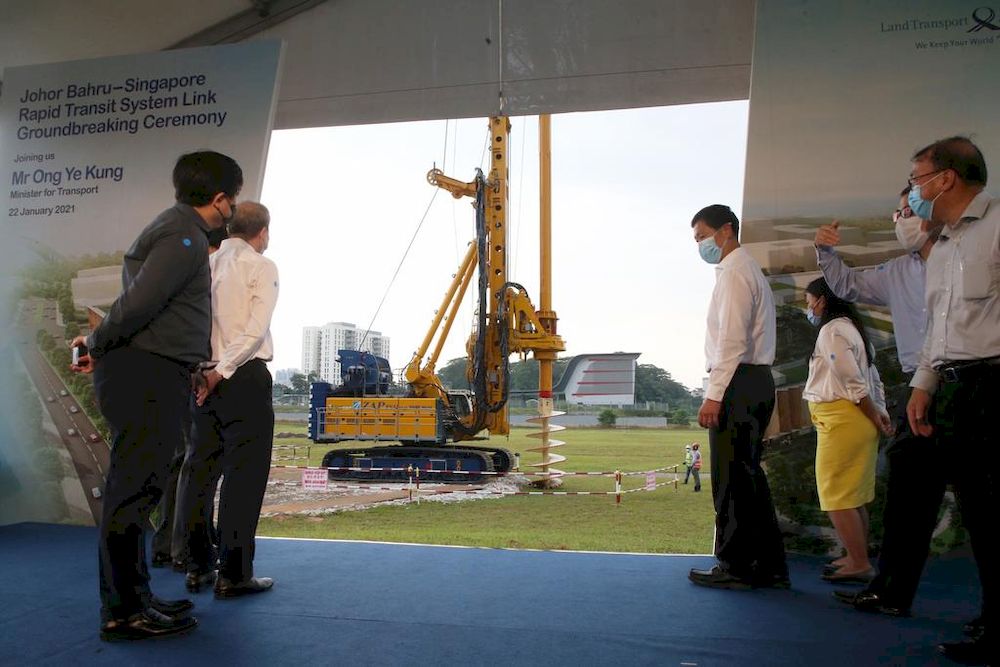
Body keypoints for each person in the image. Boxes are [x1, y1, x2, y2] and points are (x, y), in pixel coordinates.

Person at [70, 150, 242, 641]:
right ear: (221, 199)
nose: (232, 210)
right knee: (133, 493)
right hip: (145, 376)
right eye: (233, 200)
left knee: (141, 490)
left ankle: (136, 596)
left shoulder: (176, 230)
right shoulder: (182, 236)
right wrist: (95, 343)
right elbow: (138, 304)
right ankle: (123, 612)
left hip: (155, 373)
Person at [816, 192, 968, 620]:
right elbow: (846, 284)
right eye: (896, 213)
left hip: (966, 385)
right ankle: (890, 592)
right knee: (906, 500)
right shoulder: (898, 270)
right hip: (916, 388)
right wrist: (824, 251)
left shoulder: (964, 256)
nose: (899, 219)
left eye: (906, 210)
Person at [904, 136, 996, 665]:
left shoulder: (998, 227)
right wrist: (924, 384)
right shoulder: (943, 247)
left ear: (946, 180)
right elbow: (939, 327)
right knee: (979, 511)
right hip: (956, 388)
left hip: (994, 386)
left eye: (918, 179)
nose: (913, 191)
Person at [180, 201, 279, 598]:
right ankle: (234, 574)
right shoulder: (261, 265)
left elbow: (188, 322)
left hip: (202, 377)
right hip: (241, 377)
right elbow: (256, 330)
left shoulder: (206, 264)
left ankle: (197, 566)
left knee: (199, 473)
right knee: (244, 479)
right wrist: (224, 369)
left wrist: (202, 371)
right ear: (263, 232)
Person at [687, 204, 789, 591]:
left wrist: (713, 396)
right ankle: (770, 566)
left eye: (702, 236)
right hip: (755, 381)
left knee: (731, 479)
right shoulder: (747, 270)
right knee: (749, 478)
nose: (700, 245)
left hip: (738, 383)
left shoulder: (734, 274)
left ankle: (737, 565)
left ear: (725, 230)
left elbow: (731, 342)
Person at [802, 278, 892, 583]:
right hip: (853, 419)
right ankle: (856, 556)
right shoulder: (853, 329)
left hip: (844, 420)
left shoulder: (833, 331)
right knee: (852, 496)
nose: (808, 307)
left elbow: (853, 381)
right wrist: (879, 413)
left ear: (822, 300)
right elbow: (873, 379)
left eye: (809, 300)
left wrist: (874, 414)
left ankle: (859, 562)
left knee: (837, 496)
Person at [162, 225, 231, 573]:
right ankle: (186, 550)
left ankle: (178, 546)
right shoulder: (200, 278)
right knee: (196, 468)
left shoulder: (188, 276)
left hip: (185, 378)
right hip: (196, 379)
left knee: (186, 466)